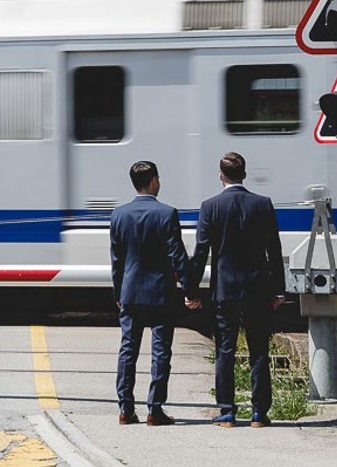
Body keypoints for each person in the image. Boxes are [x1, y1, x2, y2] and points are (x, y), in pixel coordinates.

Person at [189, 152, 286, 428]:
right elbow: (274, 251)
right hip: (258, 289)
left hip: (225, 291)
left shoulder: (210, 206)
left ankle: (227, 412)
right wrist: (279, 289)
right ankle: (259, 414)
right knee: (259, 350)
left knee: (225, 351)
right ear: (244, 174)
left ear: (221, 176)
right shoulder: (263, 204)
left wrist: (191, 290)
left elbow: (200, 253)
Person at [110, 161, 194, 427]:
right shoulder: (167, 213)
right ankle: (154, 410)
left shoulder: (119, 215)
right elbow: (178, 256)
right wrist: (190, 291)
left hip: (131, 292)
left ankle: (125, 409)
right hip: (161, 294)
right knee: (160, 352)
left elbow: (117, 260)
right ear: (154, 181)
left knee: (127, 350)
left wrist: (118, 291)